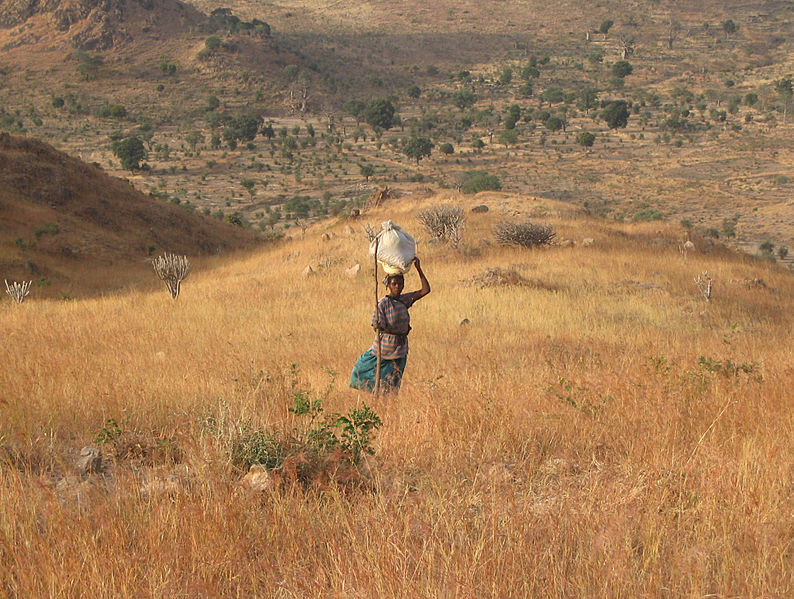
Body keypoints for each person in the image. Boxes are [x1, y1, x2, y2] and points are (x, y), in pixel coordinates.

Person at [350, 256, 430, 393]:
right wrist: (378, 325)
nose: (397, 287)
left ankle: (387, 408)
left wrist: (418, 269)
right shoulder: (382, 304)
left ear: (403, 284)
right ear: (388, 286)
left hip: (400, 350)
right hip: (383, 350)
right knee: (361, 369)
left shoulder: (404, 300)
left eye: (399, 284)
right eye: (394, 284)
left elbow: (425, 290)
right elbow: (376, 326)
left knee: (392, 388)